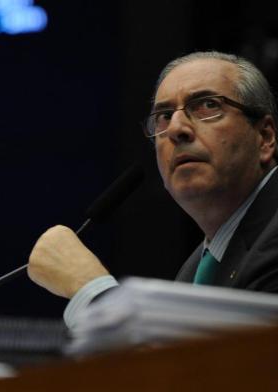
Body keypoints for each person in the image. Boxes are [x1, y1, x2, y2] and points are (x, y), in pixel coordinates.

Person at [27, 51, 278, 329]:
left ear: (265, 137)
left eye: (207, 105)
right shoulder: (195, 268)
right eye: (164, 116)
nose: (176, 129)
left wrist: (92, 291)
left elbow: (228, 367)